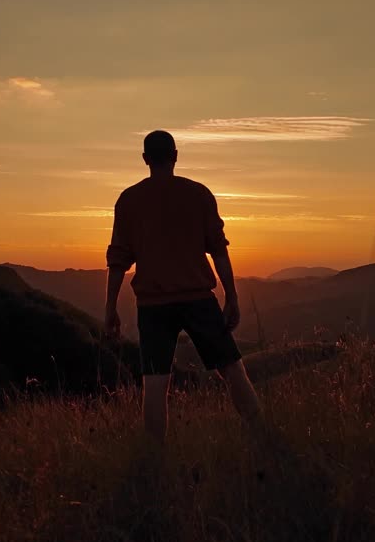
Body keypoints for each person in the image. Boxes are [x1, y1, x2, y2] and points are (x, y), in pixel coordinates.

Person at [105, 130, 261, 441]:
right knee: (232, 369)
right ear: (175, 155)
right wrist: (231, 296)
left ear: (145, 159)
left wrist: (110, 307)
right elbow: (218, 248)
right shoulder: (199, 194)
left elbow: (118, 260)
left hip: (152, 305)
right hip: (198, 300)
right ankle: (261, 434)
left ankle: (153, 455)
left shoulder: (129, 200)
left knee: (155, 382)